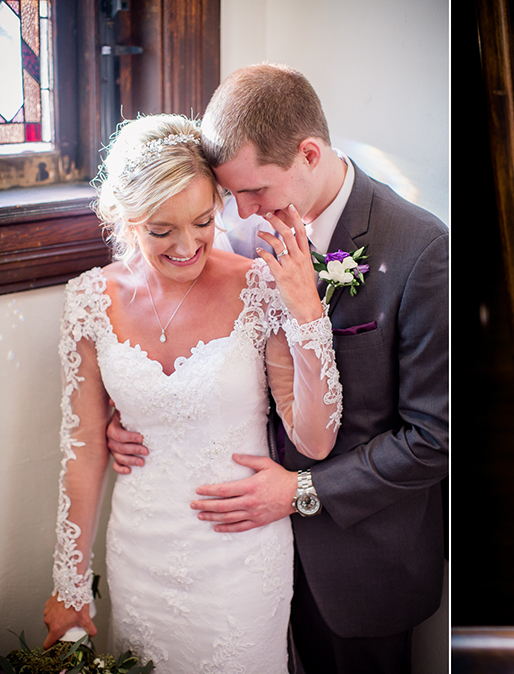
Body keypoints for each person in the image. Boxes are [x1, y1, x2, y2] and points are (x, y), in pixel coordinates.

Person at [107, 64, 449, 674]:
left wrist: (300, 491)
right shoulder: (233, 233)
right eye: (229, 194)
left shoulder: (422, 250)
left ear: (308, 154)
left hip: (357, 558)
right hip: (239, 558)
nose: (239, 211)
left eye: (254, 191)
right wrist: (133, 414)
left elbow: (434, 439)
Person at [43, 113, 342, 673]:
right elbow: (83, 447)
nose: (187, 246)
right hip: (139, 554)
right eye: (162, 230)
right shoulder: (89, 300)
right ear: (126, 220)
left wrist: (306, 314)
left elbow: (316, 440)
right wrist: (70, 580)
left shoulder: (256, 286)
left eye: (204, 221)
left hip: (240, 560)